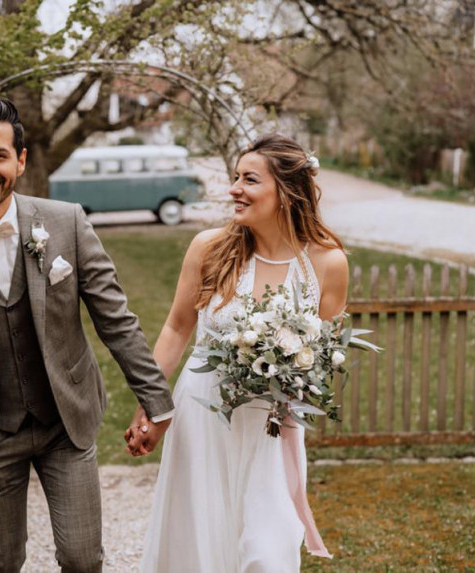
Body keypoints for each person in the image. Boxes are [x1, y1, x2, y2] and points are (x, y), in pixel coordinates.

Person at [0, 93, 174, 572]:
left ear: (20, 161)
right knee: (2, 563)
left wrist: (157, 402)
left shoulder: (65, 222)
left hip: (64, 424)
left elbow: (115, 319)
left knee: (82, 559)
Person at [127, 134, 348, 572]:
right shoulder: (210, 249)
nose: (234, 189)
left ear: (286, 192)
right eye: (234, 177)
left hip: (273, 424)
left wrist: (293, 376)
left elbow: (324, 355)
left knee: (268, 551)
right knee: (199, 541)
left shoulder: (327, 263)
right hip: (202, 413)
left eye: (249, 180)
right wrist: (151, 406)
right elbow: (176, 328)